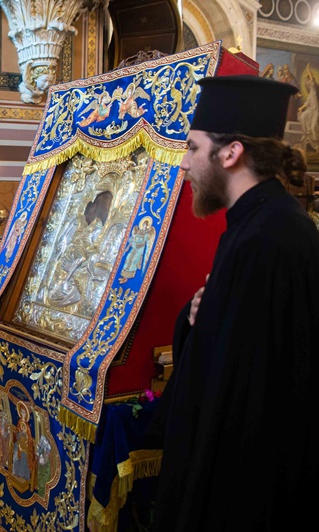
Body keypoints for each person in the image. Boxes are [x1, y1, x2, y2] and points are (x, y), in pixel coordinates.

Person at [151, 75, 319, 531]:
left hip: (244, 485)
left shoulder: (269, 237)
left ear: (230, 152)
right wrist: (197, 317)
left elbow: (256, 391)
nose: (182, 163)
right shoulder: (256, 224)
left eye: (191, 147)